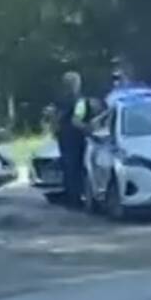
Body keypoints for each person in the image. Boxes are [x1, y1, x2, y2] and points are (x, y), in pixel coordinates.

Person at [54, 71, 91, 209]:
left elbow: (56, 118)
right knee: (77, 167)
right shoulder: (79, 100)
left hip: (63, 137)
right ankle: (76, 198)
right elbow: (76, 120)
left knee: (68, 167)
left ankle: (70, 196)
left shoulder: (60, 99)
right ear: (77, 84)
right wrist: (89, 129)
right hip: (76, 138)